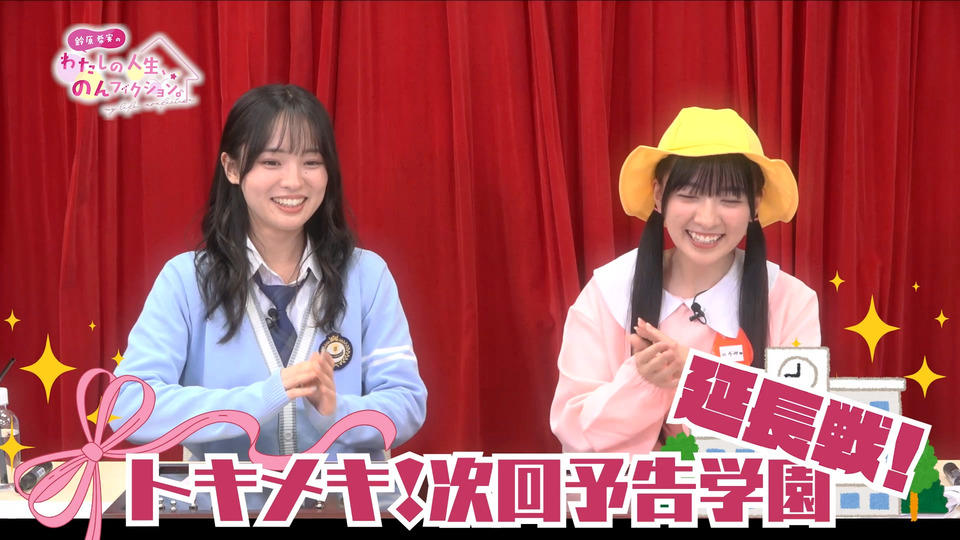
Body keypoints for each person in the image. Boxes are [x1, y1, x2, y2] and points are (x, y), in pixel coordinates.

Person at [111, 84, 427, 463]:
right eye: (271, 162)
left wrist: (337, 413)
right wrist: (259, 400)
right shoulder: (186, 280)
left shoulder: (367, 275)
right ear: (232, 168)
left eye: (311, 162)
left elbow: (407, 402)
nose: (294, 181)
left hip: (343, 495)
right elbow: (127, 406)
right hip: (227, 495)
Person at [550, 107, 819, 454]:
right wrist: (642, 382)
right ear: (659, 196)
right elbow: (573, 432)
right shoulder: (608, 293)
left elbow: (803, 433)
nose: (707, 219)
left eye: (729, 199)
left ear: (755, 204)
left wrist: (696, 377)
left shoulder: (790, 301)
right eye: (689, 195)